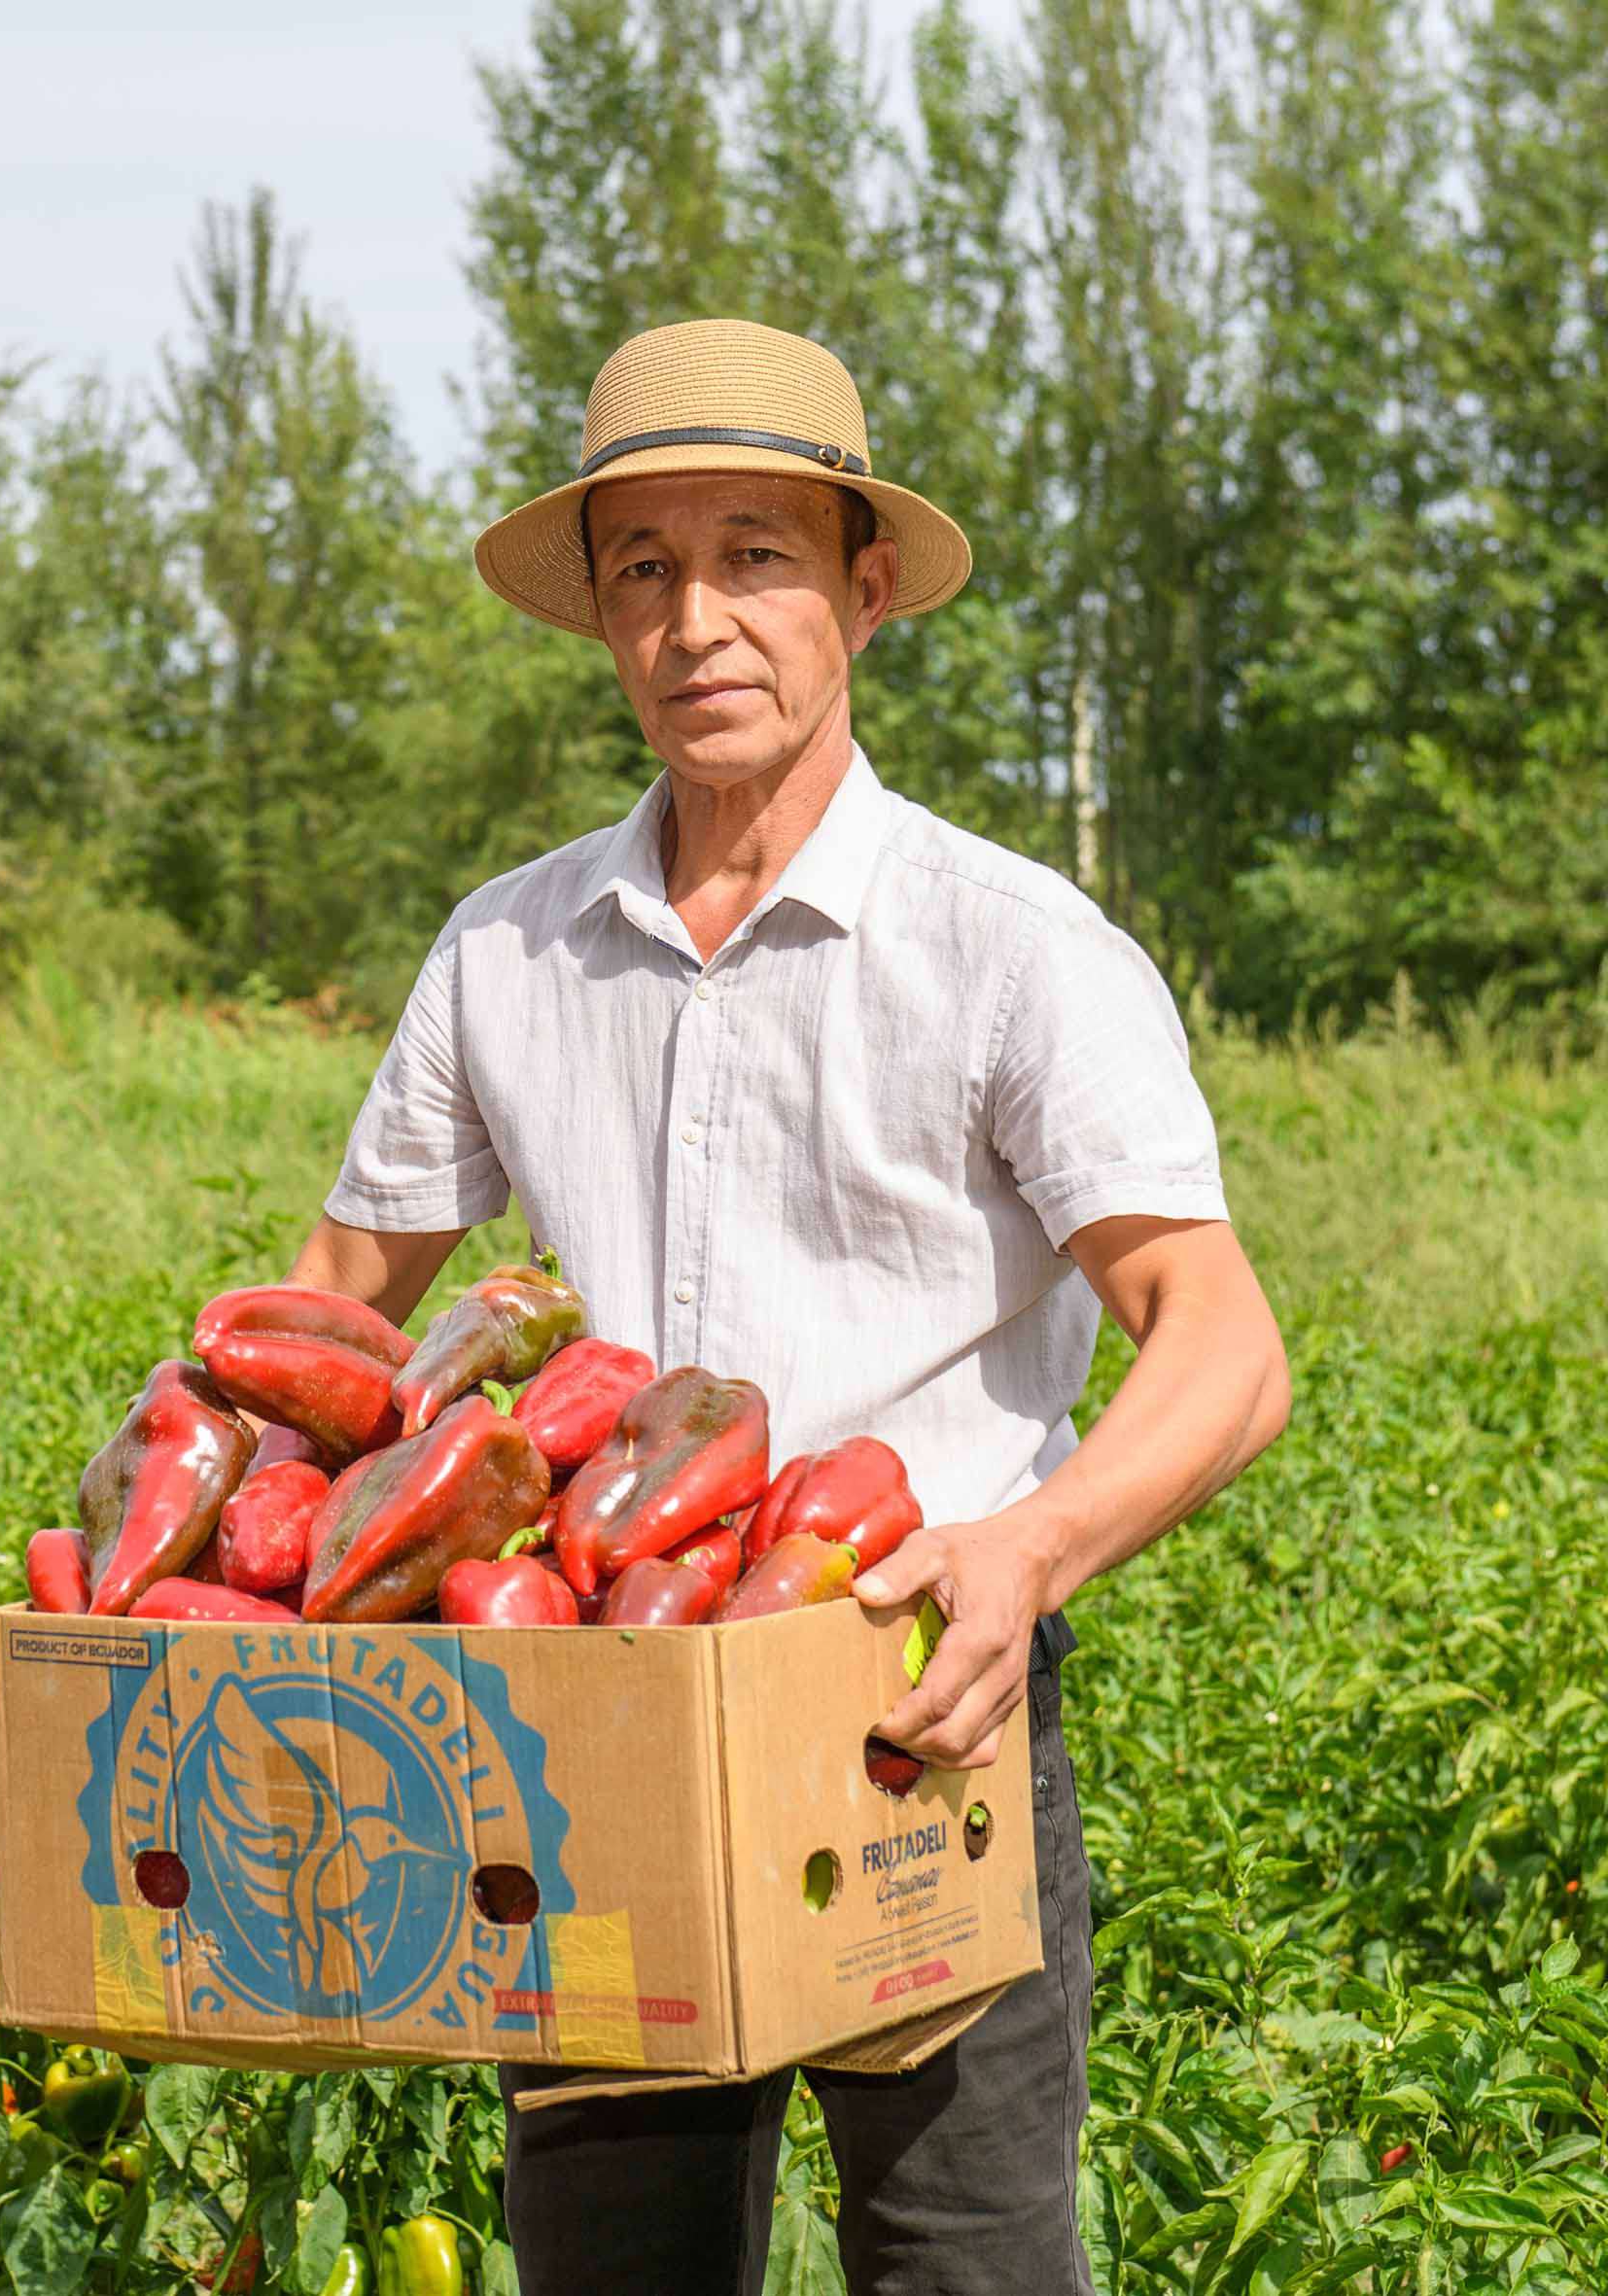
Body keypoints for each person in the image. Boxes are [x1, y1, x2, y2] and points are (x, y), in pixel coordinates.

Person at [272, 318, 1294, 2293]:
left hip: (919, 1688)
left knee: (962, 2260)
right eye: (640, 567)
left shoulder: (1008, 953)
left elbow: (1222, 1345)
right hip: (593, 1702)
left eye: (754, 554)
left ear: (864, 584)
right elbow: (331, 1303)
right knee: (614, 2264)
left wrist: (1023, 1550)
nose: (695, 620)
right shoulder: (506, 950)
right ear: (595, 615)